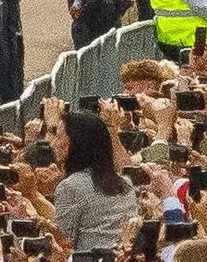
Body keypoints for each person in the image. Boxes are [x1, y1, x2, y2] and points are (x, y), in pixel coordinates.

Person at [49, 107, 139, 254]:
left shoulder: (70, 187)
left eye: (59, 137)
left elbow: (64, 245)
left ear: (75, 142)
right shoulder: (126, 183)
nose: (54, 144)